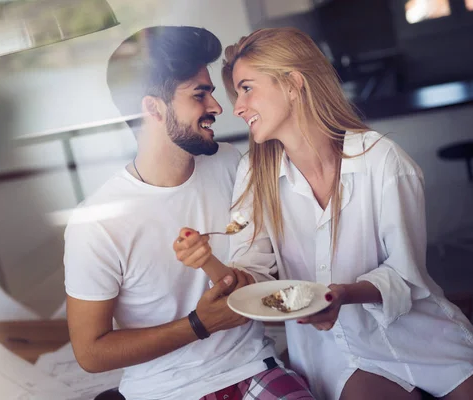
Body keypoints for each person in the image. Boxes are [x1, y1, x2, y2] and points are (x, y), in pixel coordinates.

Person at [174, 27, 473, 400]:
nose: (238, 107)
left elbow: (405, 276)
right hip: (336, 349)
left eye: (246, 88)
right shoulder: (255, 175)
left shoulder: (382, 160)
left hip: (422, 334)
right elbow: (254, 274)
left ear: (293, 83)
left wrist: (341, 293)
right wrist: (210, 262)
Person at [63, 26, 314, 400]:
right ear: (153, 108)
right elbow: (90, 352)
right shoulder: (97, 222)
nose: (217, 107)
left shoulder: (233, 165)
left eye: (212, 92)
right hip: (164, 390)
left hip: (252, 366)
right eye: (200, 95)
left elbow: (265, 264)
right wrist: (199, 324)